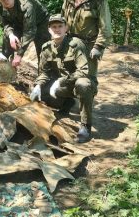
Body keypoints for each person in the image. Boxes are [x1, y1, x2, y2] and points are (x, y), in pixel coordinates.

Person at [30, 14, 96, 143]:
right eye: (54, 27)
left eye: (60, 26)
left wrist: (61, 81)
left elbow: (83, 71)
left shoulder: (76, 44)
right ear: (49, 29)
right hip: (62, 86)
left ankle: (85, 126)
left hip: (79, 82)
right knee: (39, 94)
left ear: (66, 28)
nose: (57, 29)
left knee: (83, 85)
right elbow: (44, 72)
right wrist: (38, 85)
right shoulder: (46, 48)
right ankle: (66, 103)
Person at [61, 0, 112, 82]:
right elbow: (62, 21)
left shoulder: (98, 0)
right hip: (69, 45)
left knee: (86, 83)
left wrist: (98, 47)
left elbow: (105, 27)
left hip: (89, 47)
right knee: (68, 79)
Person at [0, 0, 49, 68]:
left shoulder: (27, 5)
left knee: (43, 48)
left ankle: (46, 74)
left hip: (40, 22)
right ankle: (5, 68)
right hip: (19, 22)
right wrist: (11, 35)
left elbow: (30, 31)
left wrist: (19, 54)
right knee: (7, 38)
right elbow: (5, 24)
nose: (5, 0)